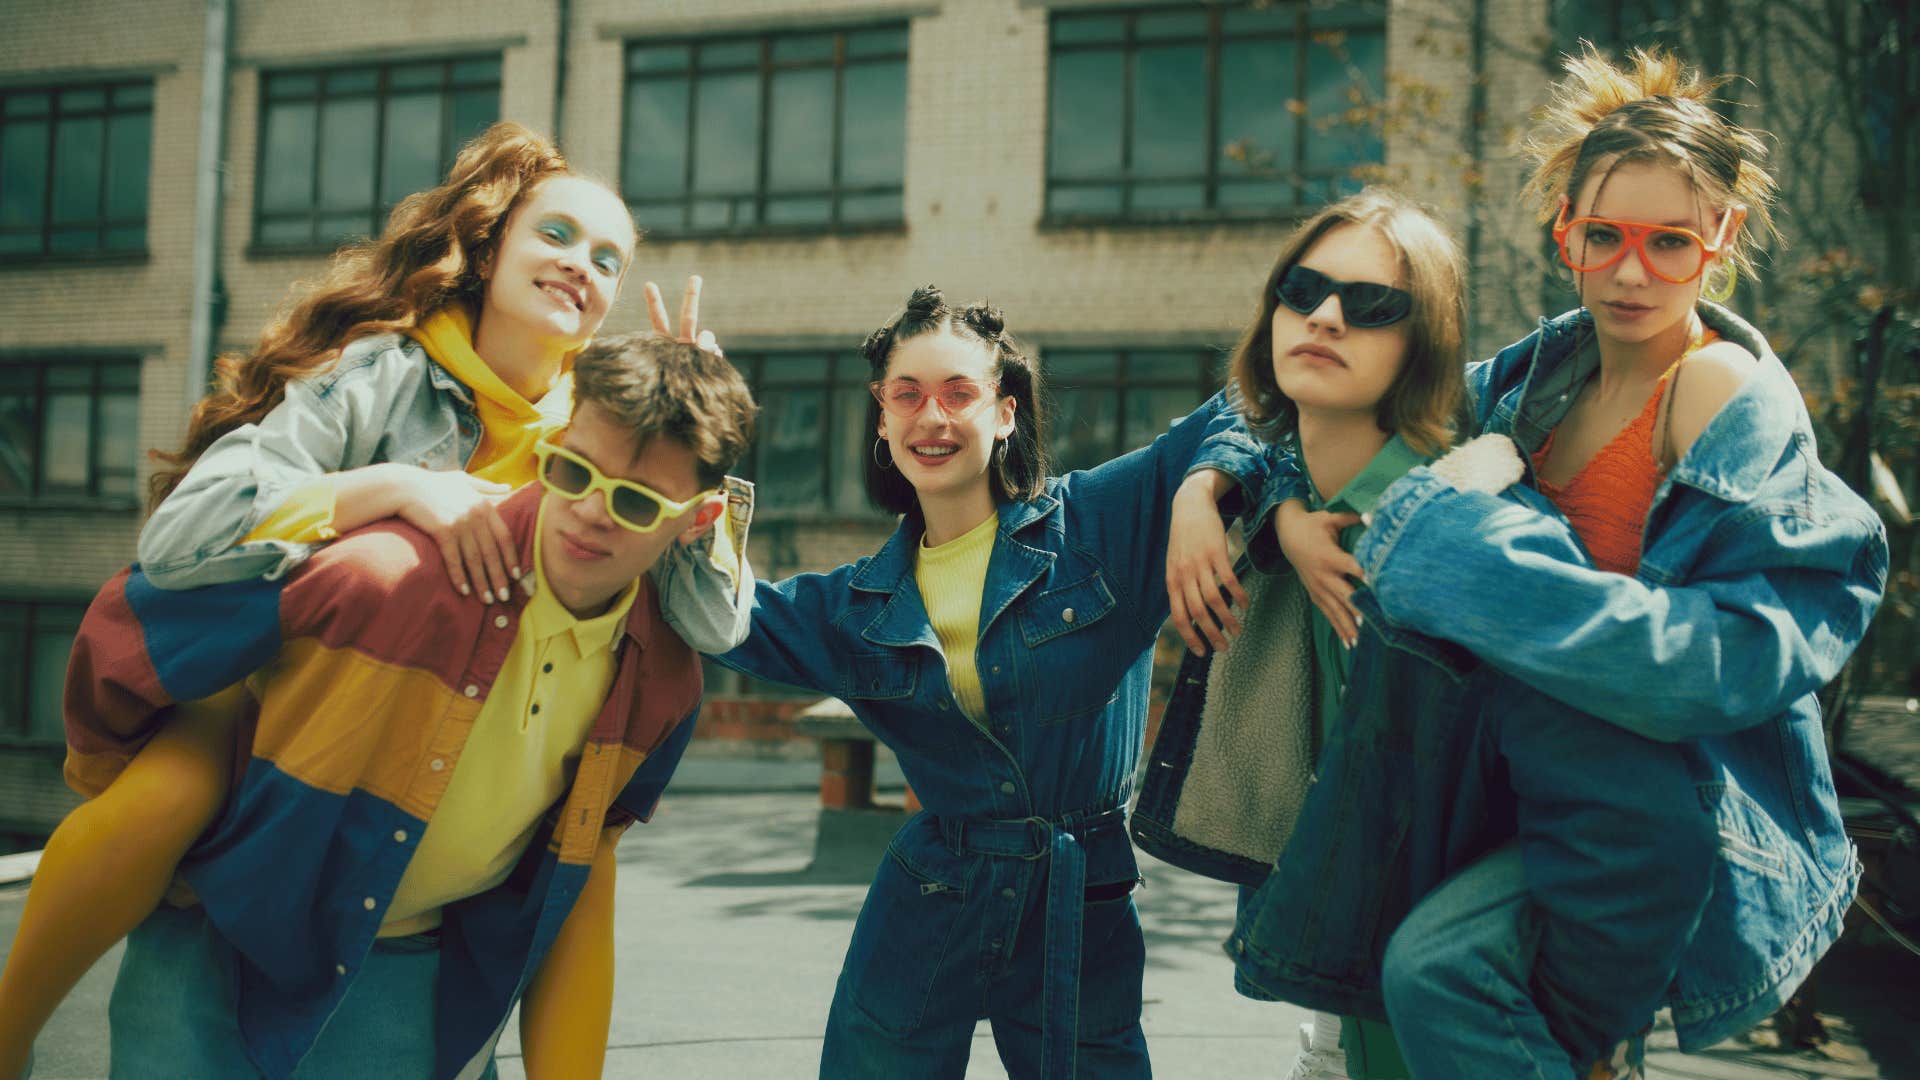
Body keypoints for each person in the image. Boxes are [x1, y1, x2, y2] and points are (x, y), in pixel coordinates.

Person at [0, 122, 751, 1078]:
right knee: (178, 791)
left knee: (579, 849)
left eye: (608, 259)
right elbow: (183, 536)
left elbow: (713, 620)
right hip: (283, 678)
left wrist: (698, 434)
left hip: (447, 735)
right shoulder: (383, 373)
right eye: (555, 236)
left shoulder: (603, 424)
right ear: (490, 250)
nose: (580, 266)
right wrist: (390, 487)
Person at [1236, 46, 1885, 1078]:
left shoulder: (1719, 390)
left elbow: (1718, 662)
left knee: (1444, 981)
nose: (1632, 273)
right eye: (1606, 237)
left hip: (1662, 811)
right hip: (1528, 796)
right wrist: (1263, 507)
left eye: (1670, 242)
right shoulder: (1532, 378)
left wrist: (1460, 557)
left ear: (1723, 239)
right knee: (1437, 988)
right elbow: (1334, 397)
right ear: (1564, 233)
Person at [708, 286, 1271, 1079]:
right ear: (880, 416)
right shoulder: (855, 605)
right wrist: (690, 437)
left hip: (1081, 901)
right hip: (934, 893)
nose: (930, 417)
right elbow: (722, 612)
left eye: (958, 393)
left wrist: (1199, 488)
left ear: (1005, 412)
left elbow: (1260, 392)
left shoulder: (1095, 528)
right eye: (906, 394)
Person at [1137, 187, 1468, 1080]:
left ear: (1421, 344)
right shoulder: (1307, 490)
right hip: (1347, 922)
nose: (1324, 315)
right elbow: (1248, 417)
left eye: (1372, 306)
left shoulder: (1448, 525)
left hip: (1437, 940)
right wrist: (1209, 491)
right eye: (1303, 288)